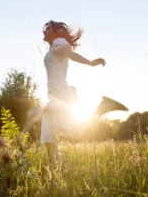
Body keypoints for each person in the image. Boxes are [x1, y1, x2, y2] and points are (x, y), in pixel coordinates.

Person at [41, 20, 105, 163]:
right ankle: (56, 166)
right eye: (44, 29)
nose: (44, 31)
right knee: (47, 136)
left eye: (48, 29)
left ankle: (101, 108)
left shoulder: (59, 43)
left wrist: (90, 63)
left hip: (62, 94)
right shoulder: (53, 48)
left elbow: (71, 54)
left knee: (70, 130)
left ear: (56, 33)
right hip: (55, 97)